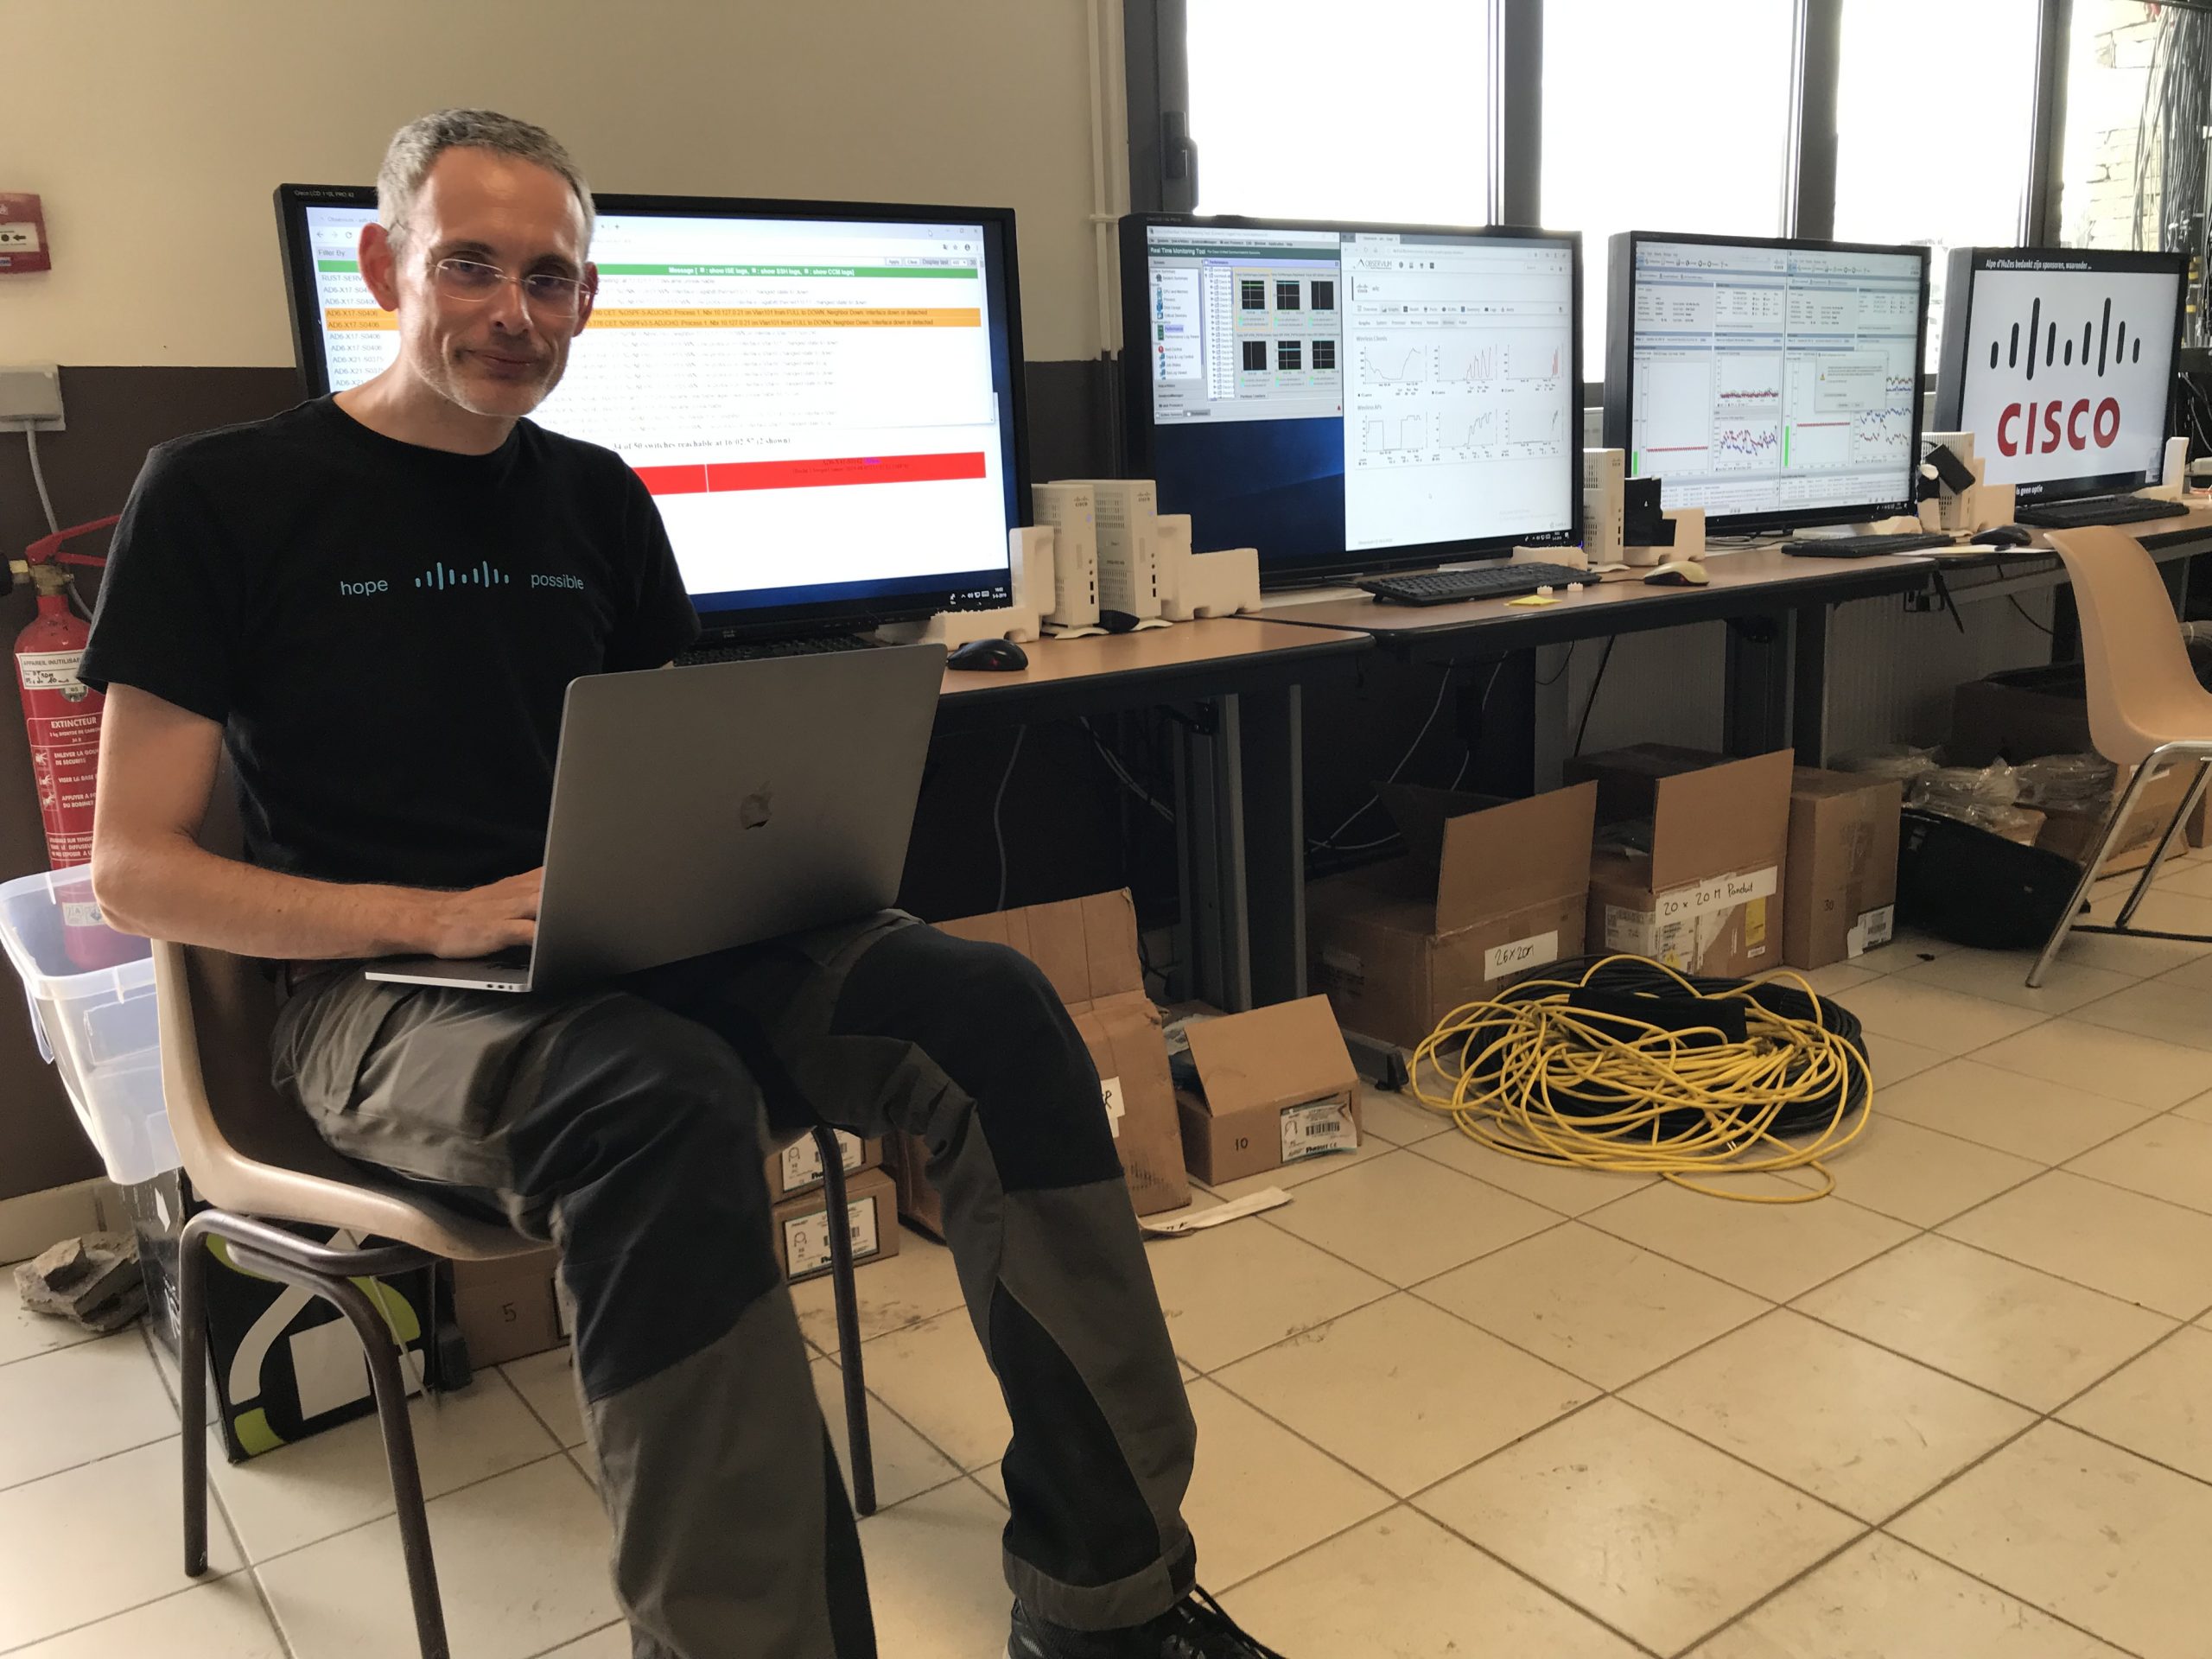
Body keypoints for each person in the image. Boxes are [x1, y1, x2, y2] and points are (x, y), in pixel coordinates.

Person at [83, 109, 1285, 1659]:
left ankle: (1108, 1603)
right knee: (657, 1099)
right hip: (378, 1000)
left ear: (588, 302)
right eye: (471, 267)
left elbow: (674, 777)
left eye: (552, 278)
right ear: (386, 265)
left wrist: (778, 856)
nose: (514, 312)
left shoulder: (597, 500)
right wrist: (435, 917)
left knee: (989, 1009)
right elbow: (135, 871)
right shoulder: (219, 495)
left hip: (636, 949)